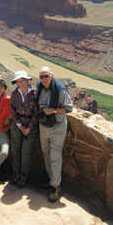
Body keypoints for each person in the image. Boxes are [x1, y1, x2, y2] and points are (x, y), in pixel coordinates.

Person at [35, 66, 73, 202]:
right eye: (41, 77)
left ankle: (56, 186)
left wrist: (54, 110)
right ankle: (52, 179)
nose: (44, 79)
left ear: (52, 75)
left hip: (57, 126)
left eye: (46, 76)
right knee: (46, 152)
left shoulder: (61, 90)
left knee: (55, 156)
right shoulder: (39, 86)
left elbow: (69, 108)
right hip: (44, 125)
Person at [10, 70, 38, 187]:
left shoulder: (35, 93)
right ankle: (16, 173)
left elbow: (36, 112)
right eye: (18, 81)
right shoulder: (14, 93)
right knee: (15, 150)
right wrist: (20, 126)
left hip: (30, 125)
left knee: (26, 152)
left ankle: (23, 176)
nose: (21, 83)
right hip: (17, 126)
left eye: (22, 80)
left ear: (27, 80)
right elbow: (13, 110)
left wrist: (29, 128)